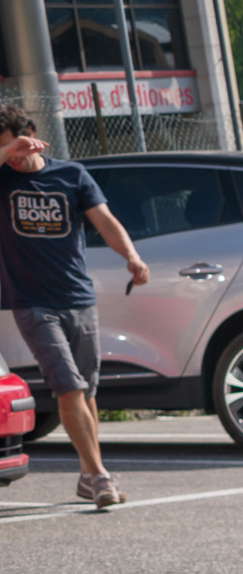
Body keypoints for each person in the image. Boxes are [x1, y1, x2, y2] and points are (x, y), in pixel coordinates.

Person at [0, 107, 148, 507]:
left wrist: (131, 257)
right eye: (5, 148)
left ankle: (87, 473)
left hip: (77, 297)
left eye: (15, 143)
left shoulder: (71, 175)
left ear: (31, 132)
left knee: (86, 391)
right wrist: (7, 152)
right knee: (68, 387)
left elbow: (105, 221)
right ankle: (100, 476)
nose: (13, 154)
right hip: (31, 302)